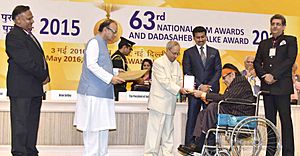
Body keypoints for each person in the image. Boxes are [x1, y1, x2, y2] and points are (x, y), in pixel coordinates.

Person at [178, 63, 255, 154]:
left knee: (213, 107)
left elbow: (225, 98)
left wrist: (204, 95)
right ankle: (198, 141)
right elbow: (225, 98)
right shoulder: (234, 84)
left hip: (240, 114)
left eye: (224, 77)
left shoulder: (240, 81)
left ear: (232, 74)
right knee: (203, 113)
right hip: (233, 111)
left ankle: (201, 143)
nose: (223, 81)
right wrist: (206, 97)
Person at [73, 19, 125, 156]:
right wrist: (110, 78)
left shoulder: (103, 45)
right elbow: (91, 65)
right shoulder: (94, 42)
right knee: (92, 132)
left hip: (103, 94)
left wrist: (115, 73)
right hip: (92, 94)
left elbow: (102, 67)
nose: (115, 36)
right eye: (114, 32)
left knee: (102, 130)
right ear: (106, 30)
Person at [5, 5, 50, 156]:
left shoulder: (28, 35)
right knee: (21, 126)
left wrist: (46, 73)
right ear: (18, 20)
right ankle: (19, 153)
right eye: (29, 18)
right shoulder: (14, 36)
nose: (32, 21)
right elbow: (26, 62)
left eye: (32, 18)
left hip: (34, 89)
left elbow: (40, 58)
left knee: (32, 125)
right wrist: (43, 75)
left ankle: (30, 151)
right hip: (22, 90)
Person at [253, 14, 297, 156]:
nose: (275, 26)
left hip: (282, 88)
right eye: (273, 24)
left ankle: (288, 153)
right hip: (267, 89)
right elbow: (256, 62)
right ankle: (270, 152)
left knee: (285, 121)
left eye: (278, 24)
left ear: (283, 26)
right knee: (269, 123)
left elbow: (290, 60)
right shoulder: (264, 43)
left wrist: (274, 75)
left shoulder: (290, 40)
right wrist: (264, 75)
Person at [144, 41, 188, 156]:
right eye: (174, 53)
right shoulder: (159, 63)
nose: (175, 56)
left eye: (177, 54)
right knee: (154, 134)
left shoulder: (177, 65)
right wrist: (179, 89)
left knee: (168, 133)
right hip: (158, 104)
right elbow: (165, 82)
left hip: (170, 104)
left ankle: (167, 154)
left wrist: (184, 88)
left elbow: (179, 80)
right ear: (167, 50)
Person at [182, 26, 222, 146]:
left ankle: (209, 144)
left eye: (202, 37)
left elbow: (218, 71)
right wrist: (200, 86)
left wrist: (208, 86)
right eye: (198, 37)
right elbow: (187, 71)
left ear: (206, 36)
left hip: (211, 92)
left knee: (210, 117)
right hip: (194, 91)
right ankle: (189, 143)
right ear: (193, 38)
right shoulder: (188, 53)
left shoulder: (214, 52)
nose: (200, 39)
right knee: (192, 117)